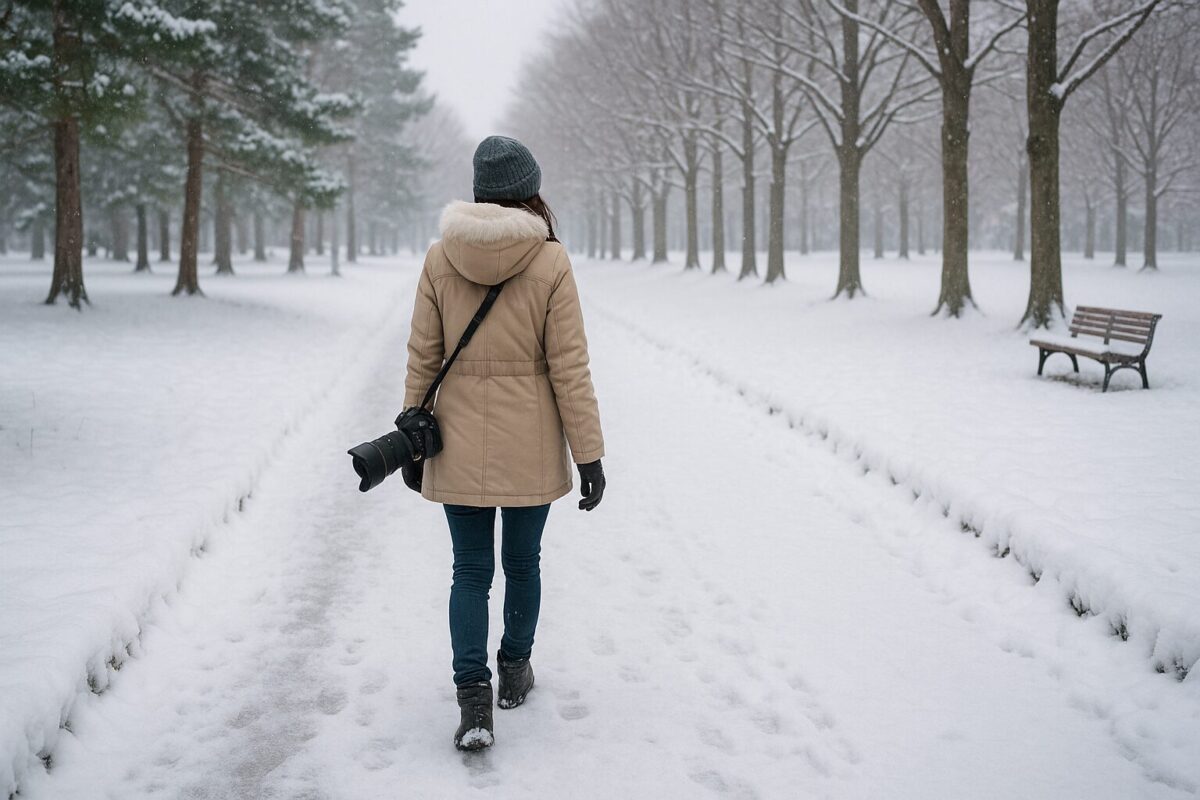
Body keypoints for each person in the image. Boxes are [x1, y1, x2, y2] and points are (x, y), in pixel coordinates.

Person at [401, 135, 606, 751]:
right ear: (529, 192)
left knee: (469, 572)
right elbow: (570, 366)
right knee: (521, 564)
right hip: (530, 443)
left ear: (479, 192)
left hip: (458, 440)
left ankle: (473, 699)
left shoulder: (441, 258)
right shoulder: (549, 260)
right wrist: (589, 454)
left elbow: (423, 356)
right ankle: (515, 670)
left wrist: (414, 427)